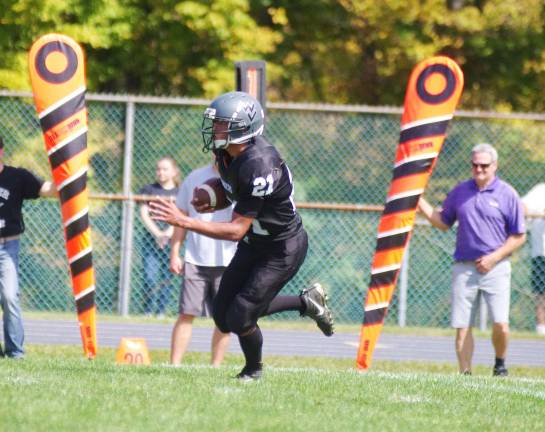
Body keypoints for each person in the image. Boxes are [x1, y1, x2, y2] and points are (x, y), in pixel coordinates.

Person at [150, 91, 334, 380]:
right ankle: (306, 301)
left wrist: (185, 220)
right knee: (223, 317)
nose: (215, 130)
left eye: (221, 124)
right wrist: (212, 197)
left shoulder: (260, 163)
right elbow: (234, 191)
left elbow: (236, 230)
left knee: (241, 315)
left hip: (281, 248)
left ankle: (253, 370)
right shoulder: (226, 153)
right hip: (255, 243)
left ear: (243, 128)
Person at [418, 143, 526, 376]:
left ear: (494, 166)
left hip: (496, 267)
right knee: (462, 326)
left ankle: (500, 363)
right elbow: (443, 222)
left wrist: (494, 257)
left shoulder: (507, 194)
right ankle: (465, 373)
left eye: (484, 165)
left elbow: (518, 236)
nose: (479, 169)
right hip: (464, 268)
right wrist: (419, 201)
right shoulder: (460, 191)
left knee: (501, 323)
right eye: (475, 165)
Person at [169, 160, 235, 366]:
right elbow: (181, 217)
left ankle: (215, 366)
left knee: (224, 319)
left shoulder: (240, 177)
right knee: (186, 313)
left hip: (229, 260)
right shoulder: (195, 177)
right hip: (196, 259)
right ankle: (174, 364)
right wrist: (174, 252)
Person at [0, 135, 56, 358]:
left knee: (10, 297)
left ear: (1, 151)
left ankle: (15, 353)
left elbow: (47, 189)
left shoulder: (17, 177)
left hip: (7, 247)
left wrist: (70, 178)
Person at [139, 157, 179, 317]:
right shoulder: (148, 190)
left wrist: (168, 234)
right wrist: (158, 234)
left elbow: (182, 214)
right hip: (151, 240)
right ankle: (148, 310)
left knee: (167, 277)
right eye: (158, 169)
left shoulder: (180, 191)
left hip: (172, 240)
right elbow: (144, 213)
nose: (161, 172)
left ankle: (161, 311)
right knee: (150, 276)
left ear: (174, 171)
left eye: (165, 169)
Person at [521, 183, 545, 336]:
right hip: (541, 252)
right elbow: (522, 206)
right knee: (541, 292)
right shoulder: (541, 190)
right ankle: (541, 328)